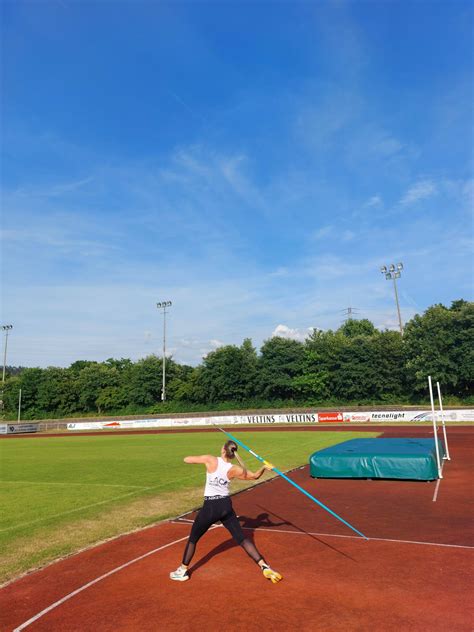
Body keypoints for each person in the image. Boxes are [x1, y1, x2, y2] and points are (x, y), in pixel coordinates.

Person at [169, 439, 282, 583]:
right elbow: (254, 476)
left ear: (223, 449)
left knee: (193, 538)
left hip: (211, 507)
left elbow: (186, 459)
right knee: (242, 539)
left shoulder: (210, 460)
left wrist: (200, 459)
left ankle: (183, 571)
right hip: (225, 506)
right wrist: (264, 467)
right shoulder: (235, 469)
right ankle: (264, 566)